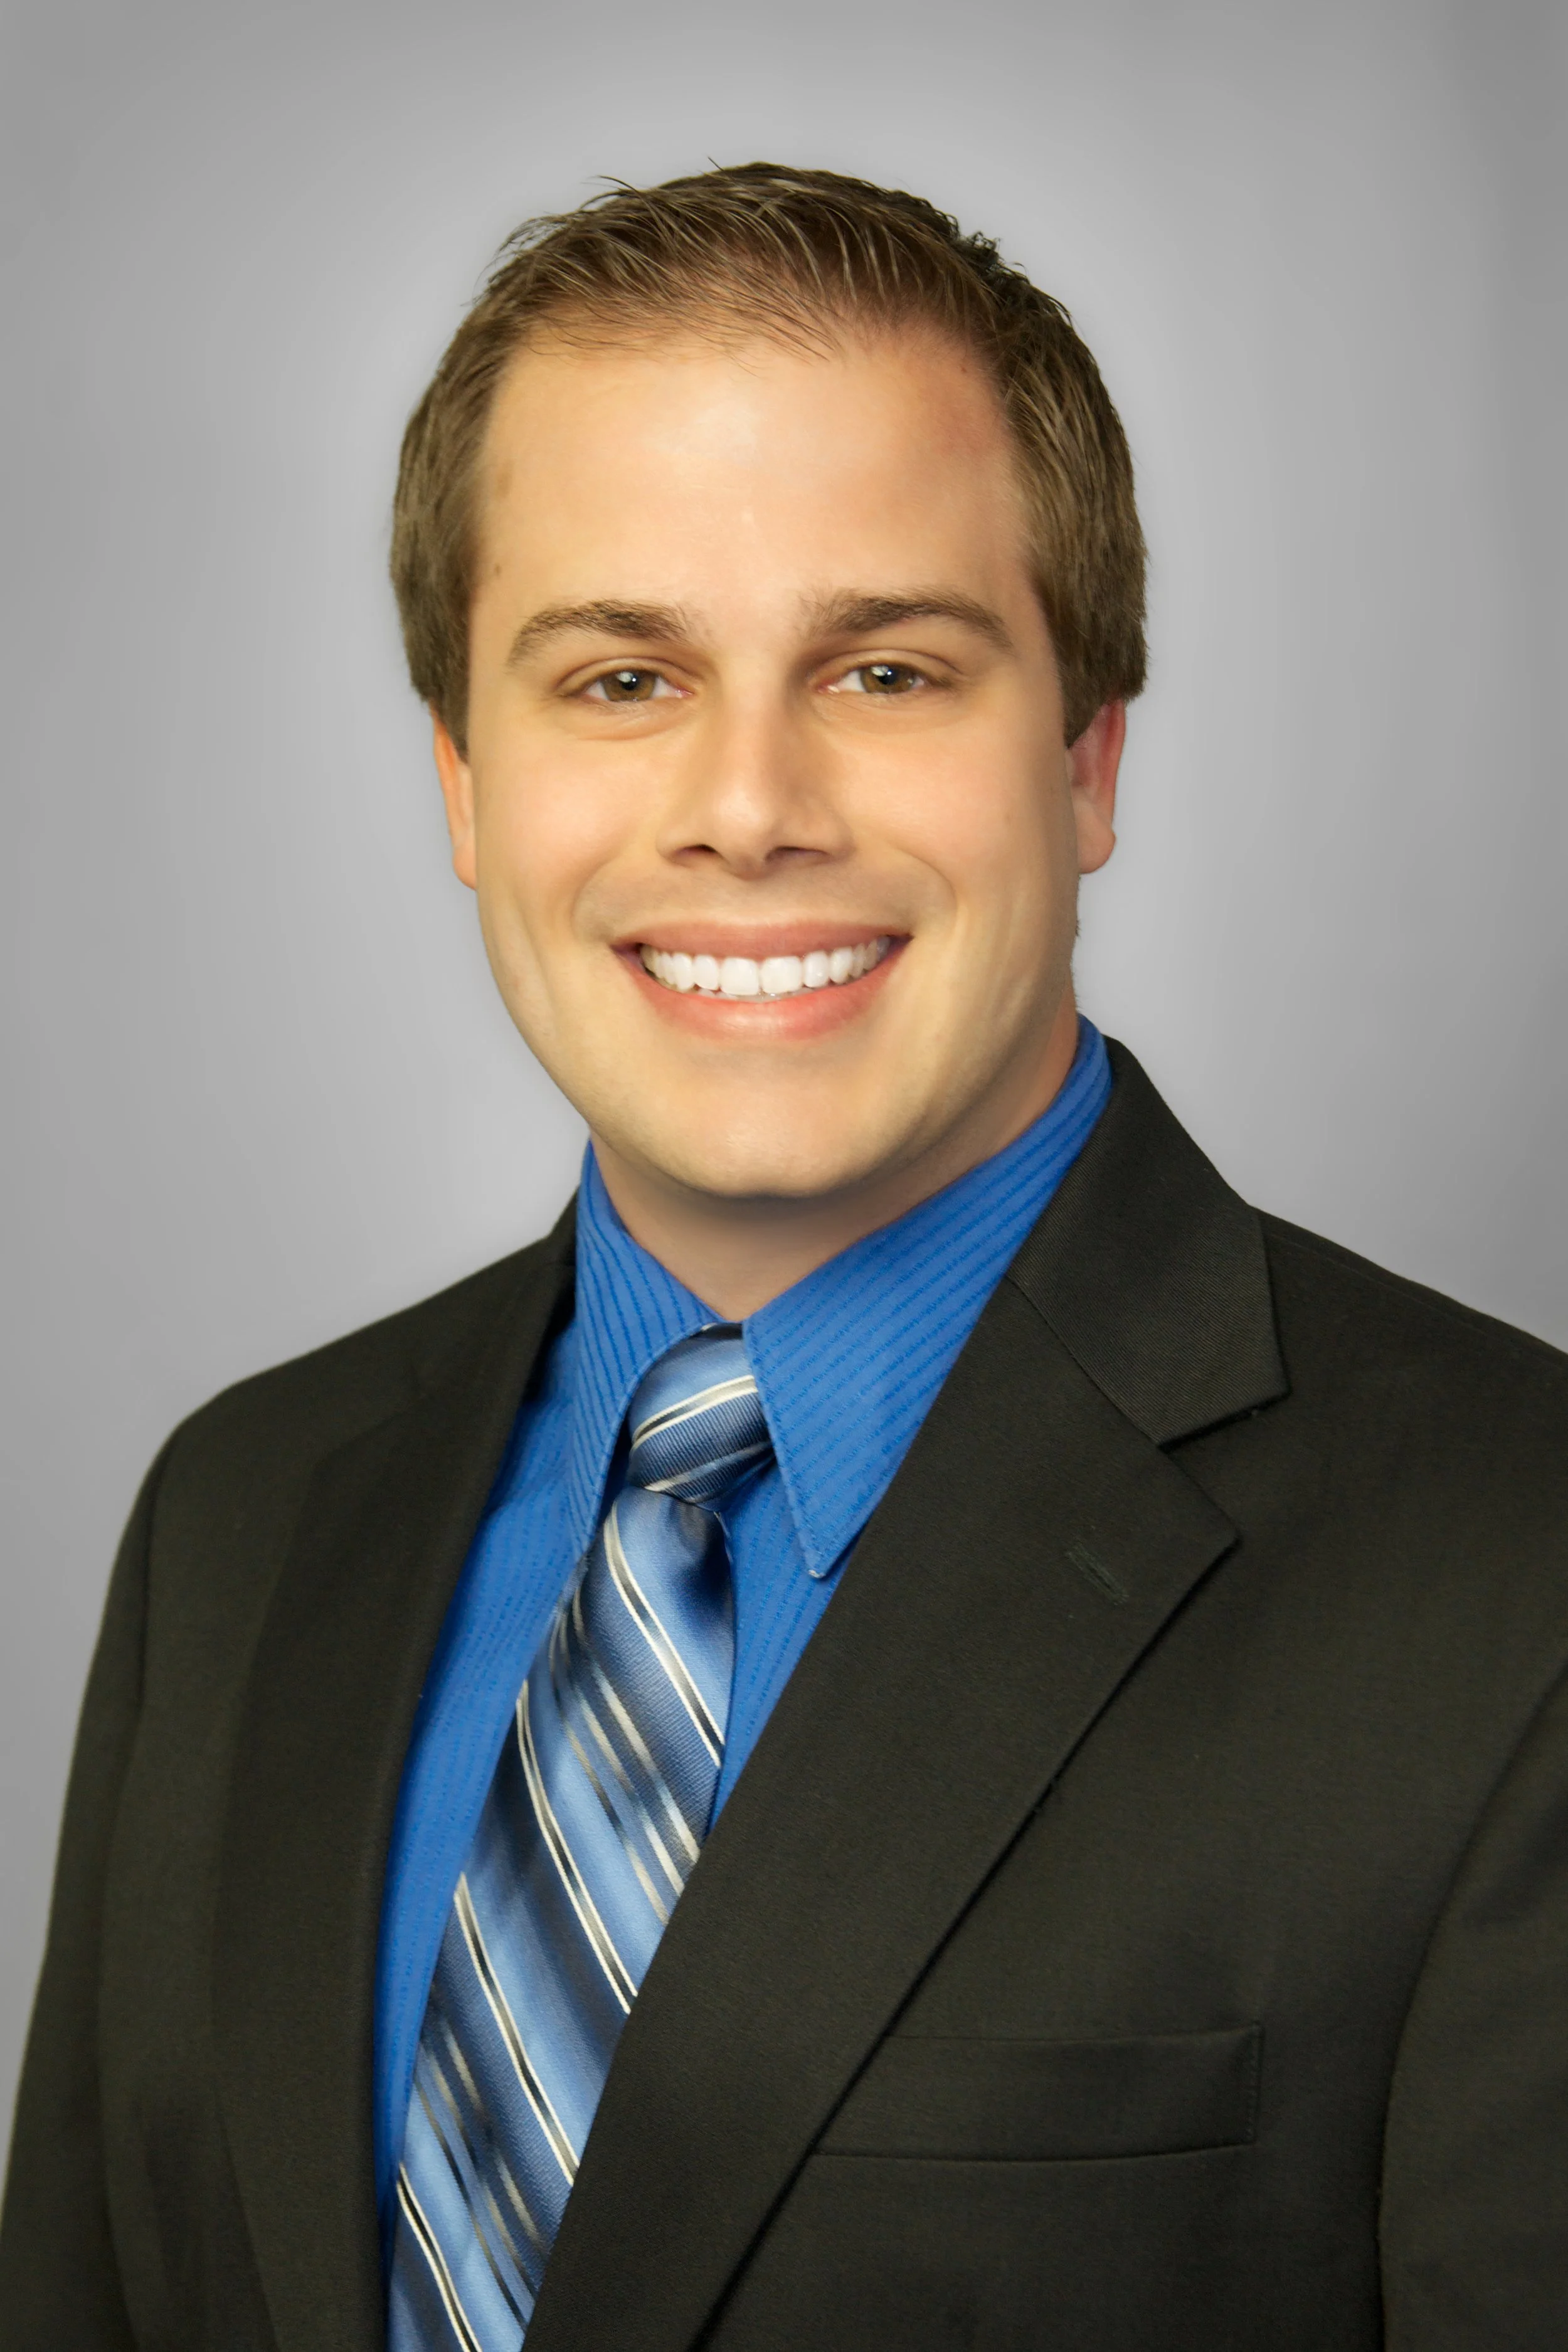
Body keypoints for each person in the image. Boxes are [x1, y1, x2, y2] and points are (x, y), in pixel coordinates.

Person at [1, 162, 1564, 2352]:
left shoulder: (1516, 1568)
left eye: (886, 665)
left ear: (1086, 757)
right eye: (623, 675)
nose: (746, 803)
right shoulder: (240, 1522)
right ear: (465, 780)